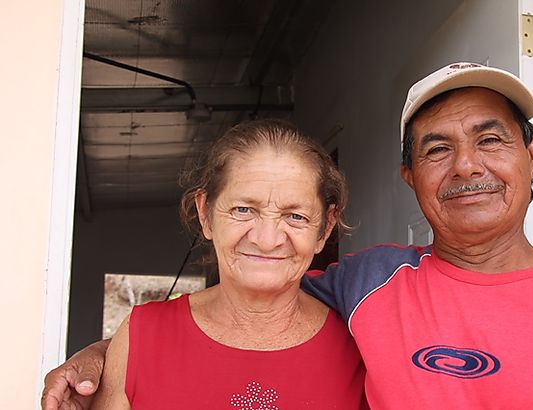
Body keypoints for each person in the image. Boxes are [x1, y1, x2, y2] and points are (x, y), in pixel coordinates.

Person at [43, 63, 533, 409]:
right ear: (409, 175)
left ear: (532, 153)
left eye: (491, 139)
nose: (467, 166)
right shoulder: (369, 288)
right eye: (437, 149)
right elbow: (244, 304)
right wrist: (107, 357)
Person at [78, 119, 366, 409]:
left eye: (295, 216)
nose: (267, 240)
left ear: (325, 228)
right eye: (243, 210)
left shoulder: (361, 346)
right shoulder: (142, 335)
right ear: (205, 214)